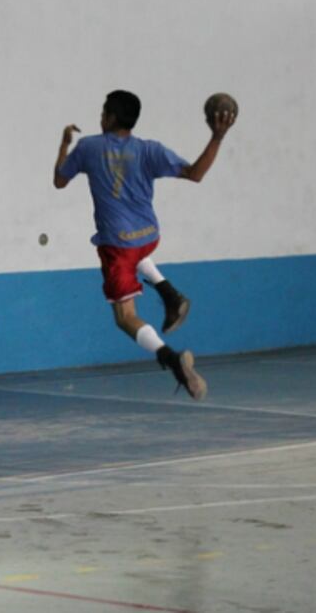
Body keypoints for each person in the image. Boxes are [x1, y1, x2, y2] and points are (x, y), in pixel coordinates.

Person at [54, 90, 235, 399]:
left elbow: (59, 180)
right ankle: (169, 293)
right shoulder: (150, 150)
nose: (100, 118)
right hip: (149, 237)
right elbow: (196, 173)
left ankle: (172, 359)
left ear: (110, 117)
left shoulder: (88, 147)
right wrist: (217, 137)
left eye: (103, 113)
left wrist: (64, 144)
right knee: (138, 256)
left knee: (125, 319)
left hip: (119, 246)